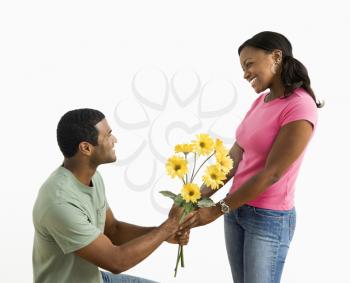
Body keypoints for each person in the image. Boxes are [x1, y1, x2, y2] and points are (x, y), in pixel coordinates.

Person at [181, 31, 323, 283]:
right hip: (236, 210)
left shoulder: (300, 107)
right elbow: (235, 155)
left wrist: (216, 210)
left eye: (249, 64)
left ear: (276, 57)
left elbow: (272, 173)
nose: (245, 73)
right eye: (243, 67)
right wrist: (197, 197)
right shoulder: (261, 102)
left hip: (268, 218)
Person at [32, 108, 191, 283]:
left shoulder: (92, 177)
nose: (115, 140)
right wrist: (169, 226)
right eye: (108, 135)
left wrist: (162, 234)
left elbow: (112, 230)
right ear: (86, 148)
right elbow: (116, 261)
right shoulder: (59, 202)